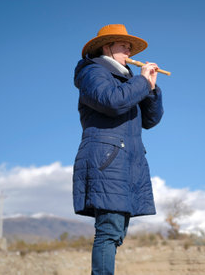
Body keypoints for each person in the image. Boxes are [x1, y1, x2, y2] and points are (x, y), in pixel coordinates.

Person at [72, 24, 164, 275]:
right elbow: (113, 102)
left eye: (130, 47)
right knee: (109, 230)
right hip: (107, 159)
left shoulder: (129, 81)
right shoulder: (93, 73)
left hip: (126, 162)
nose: (129, 50)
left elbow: (150, 121)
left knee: (117, 231)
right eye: (123, 45)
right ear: (107, 47)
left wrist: (151, 88)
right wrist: (141, 82)